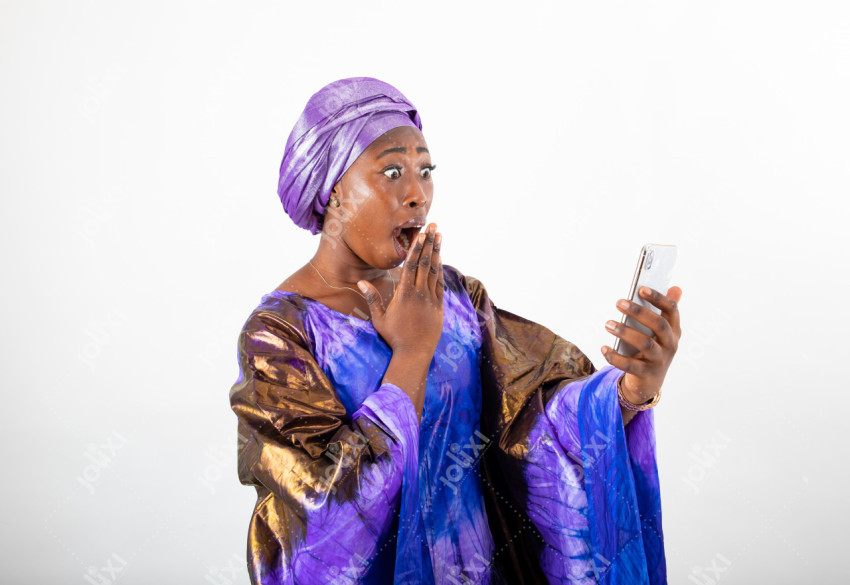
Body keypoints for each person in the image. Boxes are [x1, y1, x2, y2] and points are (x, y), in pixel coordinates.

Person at [229, 77, 683, 585]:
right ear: (334, 188)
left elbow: (530, 419)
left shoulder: (452, 297)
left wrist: (630, 391)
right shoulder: (280, 336)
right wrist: (412, 352)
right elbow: (320, 517)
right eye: (392, 172)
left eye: (425, 171)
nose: (417, 195)